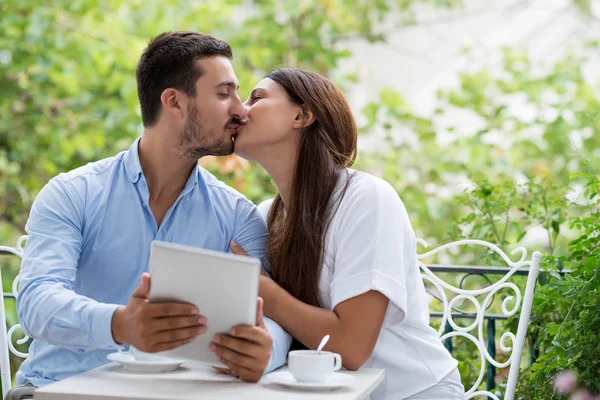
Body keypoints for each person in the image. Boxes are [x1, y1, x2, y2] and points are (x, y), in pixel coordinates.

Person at [8, 31, 291, 400]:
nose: (241, 110)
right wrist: (119, 325)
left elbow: (273, 316)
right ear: (174, 102)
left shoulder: (238, 216)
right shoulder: (72, 193)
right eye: (224, 94)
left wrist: (267, 349)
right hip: (56, 392)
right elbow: (36, 301)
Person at [229, 68, 465, 399]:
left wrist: (260, 288)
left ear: (302, 114)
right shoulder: (266, 215)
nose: (240, 109)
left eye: (257, 97)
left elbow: (352, 348)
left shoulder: (366, 198)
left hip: (412, 392)